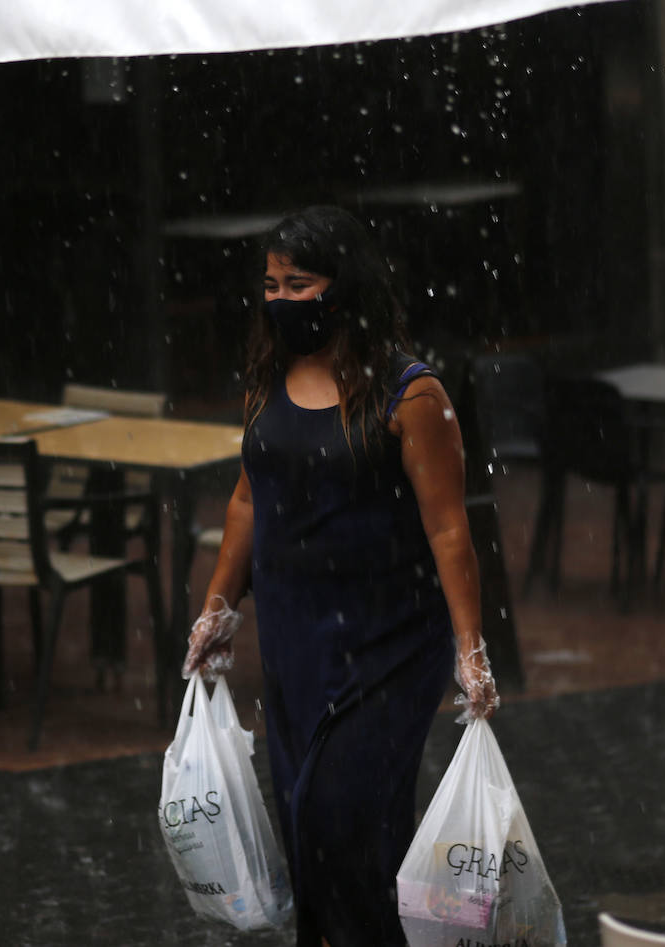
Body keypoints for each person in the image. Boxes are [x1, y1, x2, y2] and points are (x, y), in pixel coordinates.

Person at [182, 205, 499, 946]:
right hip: (296, 643)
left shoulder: (412, 394)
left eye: (300, 282)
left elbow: (450, 527)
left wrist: (471, 649)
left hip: (387, 645)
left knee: (341, 816)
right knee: (307, 827)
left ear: (343, 287)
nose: (282, 299)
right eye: (271, 283)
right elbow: (247, 498)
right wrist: (217, 607)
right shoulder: (268, 378)